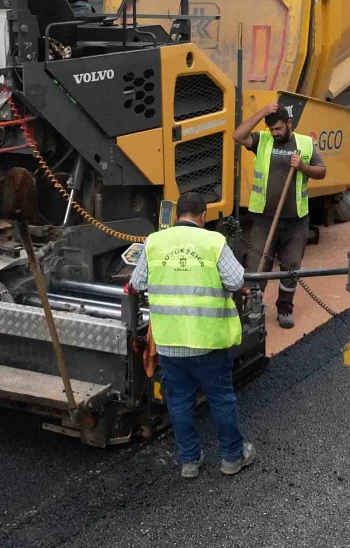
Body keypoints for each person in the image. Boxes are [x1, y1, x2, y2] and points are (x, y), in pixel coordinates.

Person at [131, 191, 254, 479]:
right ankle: (232, 458)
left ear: (175, 216)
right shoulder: (213, 241)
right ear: (203, 216)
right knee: (221, 399)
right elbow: (236, 281)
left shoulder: (154, 242)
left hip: (169, 343)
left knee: (179, 401)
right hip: (208, 341)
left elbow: (137, 283)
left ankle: (189, 462)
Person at [232, 101, 327, 329]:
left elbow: (322, 171)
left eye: (279, 129)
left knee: (291, 267)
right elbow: (238, 135)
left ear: (289, 124)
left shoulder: (304, 143)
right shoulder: (262, 141)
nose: (275, 133)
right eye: (272, 129)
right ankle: (253, 309)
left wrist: (304, 167)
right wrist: (263, 112)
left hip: (296, 221)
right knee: (258, 267)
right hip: (264, 220)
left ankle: (285, 309)